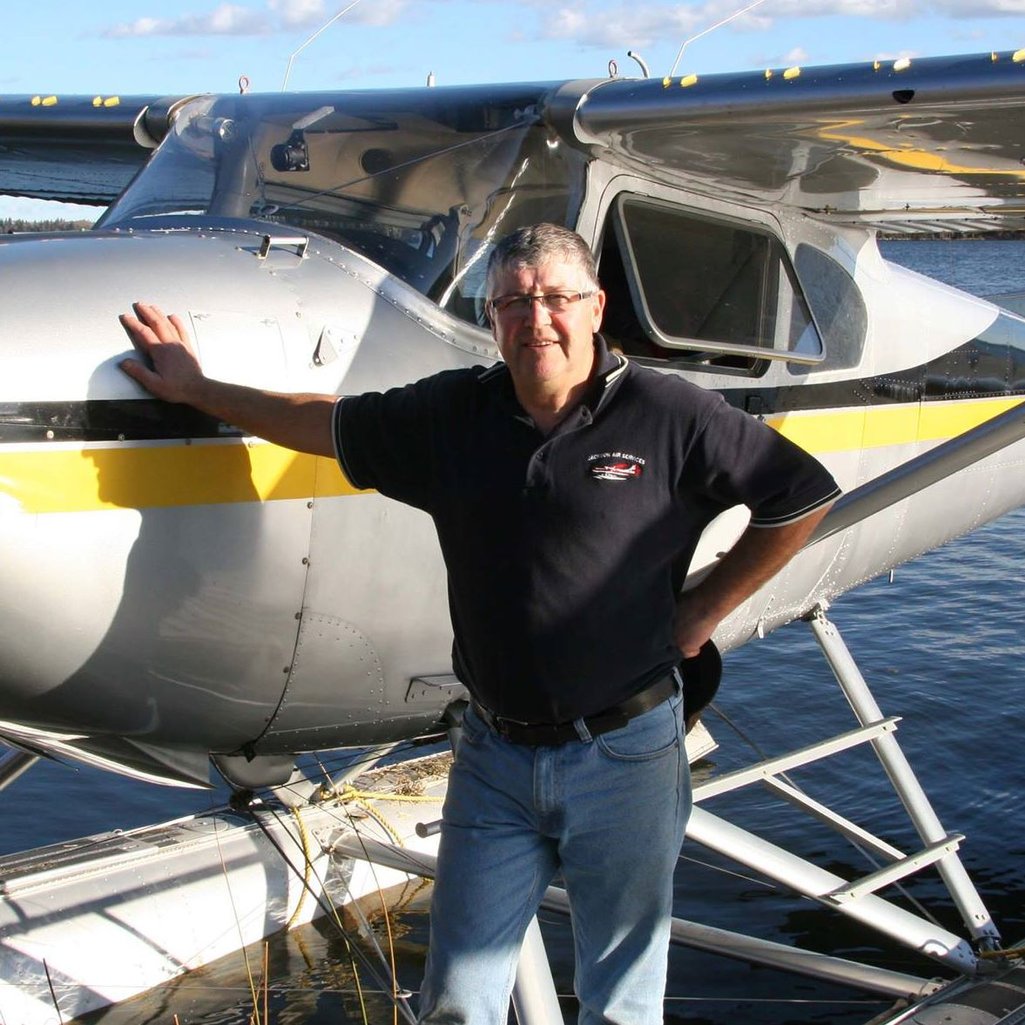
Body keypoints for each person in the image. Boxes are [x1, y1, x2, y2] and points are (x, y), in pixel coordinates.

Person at [119, 223, 839, 1025]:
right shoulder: (454, 413)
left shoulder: (669, 412)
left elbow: (800, 493)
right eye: (514, 302)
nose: (538, 319)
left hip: (624, 751)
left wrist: (702, 609)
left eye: (558, 298)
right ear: (491, 317)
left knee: (619, 1005)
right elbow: (323, 422)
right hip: (494, 753)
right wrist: (199, 388)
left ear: (596, 307)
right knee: (457, 999)